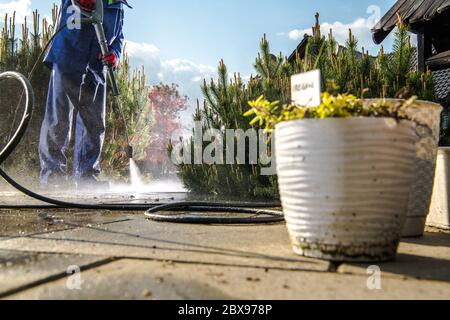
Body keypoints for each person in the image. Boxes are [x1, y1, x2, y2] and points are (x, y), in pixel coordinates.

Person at [39, 0, 131, 189]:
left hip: (96, 67)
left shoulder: (118, 5)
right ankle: (53, 176)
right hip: (68, 56)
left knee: (94, 124)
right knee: (59, 118)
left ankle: (86, 176)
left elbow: (118, 36)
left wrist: (114, 54)